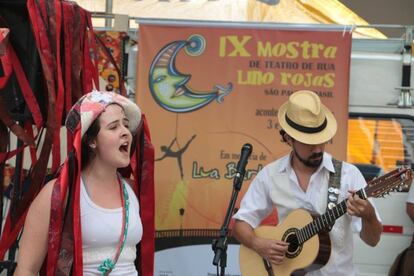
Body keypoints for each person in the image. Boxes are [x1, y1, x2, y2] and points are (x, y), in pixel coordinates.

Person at [233, 90, 382, 276]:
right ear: (288, 138)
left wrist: (369, 216)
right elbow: (241, 224)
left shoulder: (348, 175)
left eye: (321, 140)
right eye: (309, 142)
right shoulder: (270, 175)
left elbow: (373, 240)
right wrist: (258, 244)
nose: (318, 148)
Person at [14, 90, 155, 276]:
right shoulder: (58, 193)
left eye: (126, 125)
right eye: (113, 127)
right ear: (91, 141)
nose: (125, 133)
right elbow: (27, 270)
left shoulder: (131, 189)